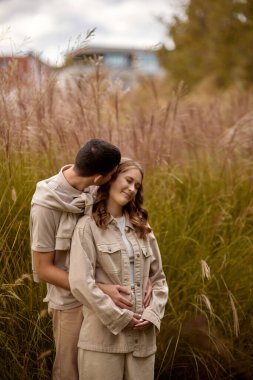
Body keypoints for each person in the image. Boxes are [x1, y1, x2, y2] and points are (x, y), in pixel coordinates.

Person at [30, 139, 140, 380]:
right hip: (70, 302)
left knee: (100, 370)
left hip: (105, 297)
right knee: (70, 370)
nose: (113, 180)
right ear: (99, 177)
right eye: (111, 176)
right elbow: (43, 269)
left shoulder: (94, 187)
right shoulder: (45, 206)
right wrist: (98, 289)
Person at [69, 157, 168, 380]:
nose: (132, 189)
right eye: (129, 180)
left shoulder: (143, 227)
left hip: (142, 342)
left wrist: (152, 314)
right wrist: (120, 317)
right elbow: (80, 282)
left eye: (137, 186)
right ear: (112, 178)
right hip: (102, 341)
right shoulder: (88, 226)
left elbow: (159, 279)